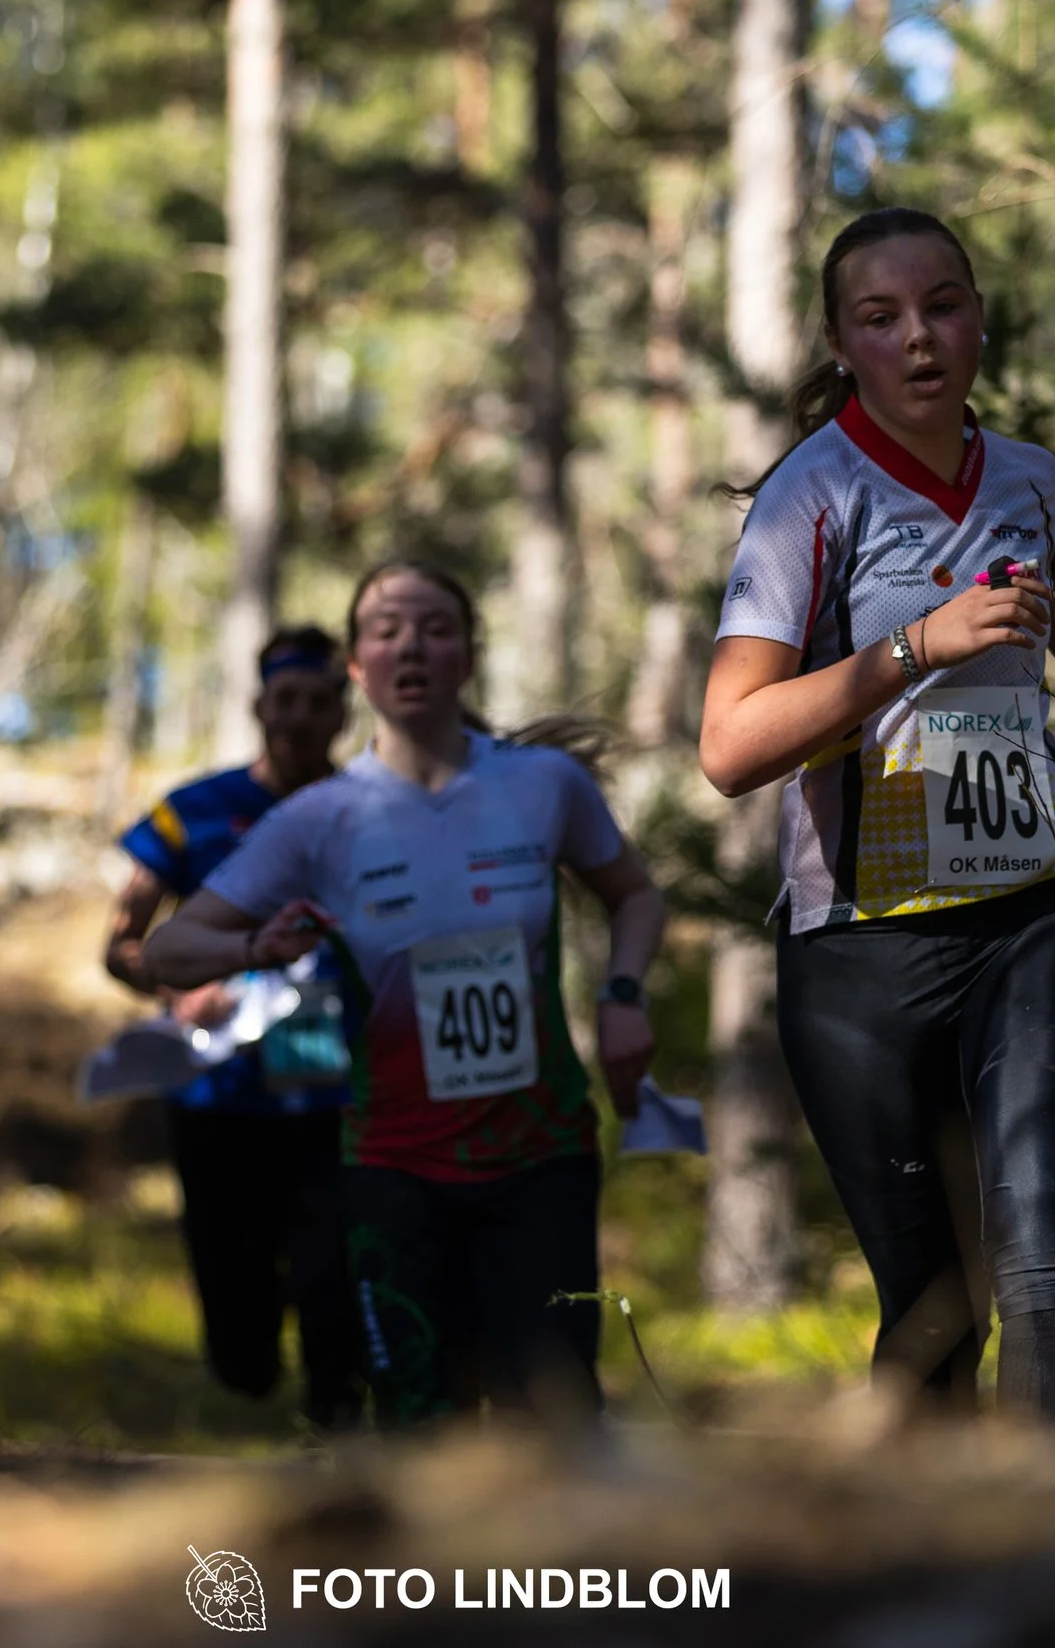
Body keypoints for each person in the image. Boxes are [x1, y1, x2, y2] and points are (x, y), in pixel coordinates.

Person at [697, 207, 1055, 1458]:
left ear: (981, 316)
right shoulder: (807, 496)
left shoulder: (1031, 476)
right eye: (881, 319)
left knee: (1044, 1234)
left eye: (942, 305)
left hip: (1039, 903)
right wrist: (911, 646)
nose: (920, 338)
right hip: (861, 943)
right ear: (842, 344)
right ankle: (934, 1552)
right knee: (934, 1302)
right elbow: (729, 746)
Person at [141, 561, 667, 1428]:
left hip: (540, 1155)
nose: (411, 644)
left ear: (468, 656)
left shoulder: (542, 785)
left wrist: (621, 994)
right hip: (394, 1167)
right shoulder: (323, 818)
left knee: (556, 1420)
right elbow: (169, 946)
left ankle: (561, 1568)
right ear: (358, 668)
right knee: (425, 1429)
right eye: (385, 631)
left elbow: (635, 895)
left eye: (434, 627)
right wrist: (252, 947)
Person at [105, 625, 366, 1430]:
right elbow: (120, 943)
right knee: (237, 1315)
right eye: (284, 699)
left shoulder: (372, 807)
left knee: (333, 1272)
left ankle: (339, 1434)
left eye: (318, 702)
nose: (297, 717)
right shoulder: (192, 813)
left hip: (333, 1087)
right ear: (258, 705)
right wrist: (177, 983)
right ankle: (252, 1361)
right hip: (217, 1092)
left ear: (342, 713)